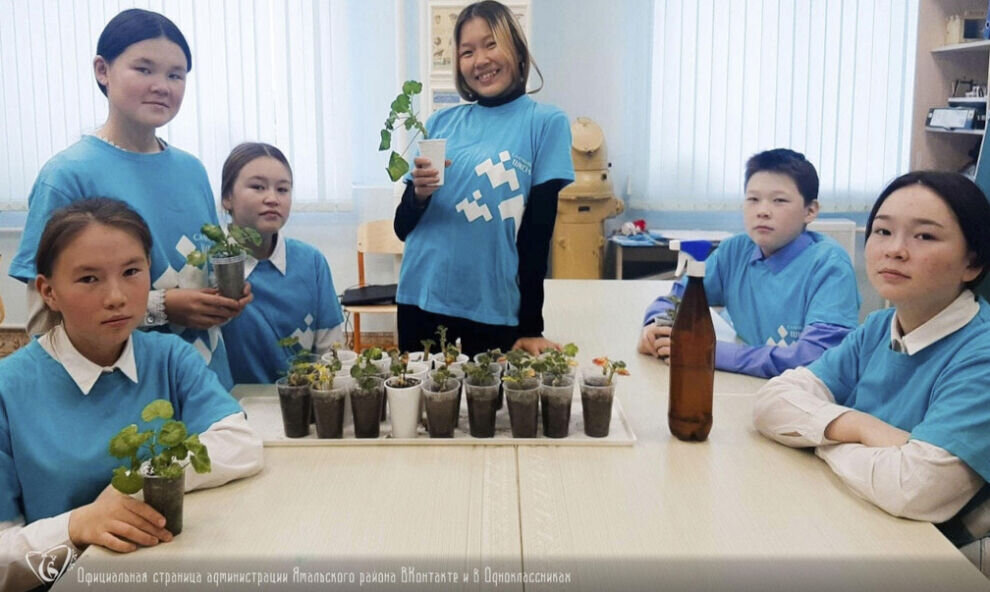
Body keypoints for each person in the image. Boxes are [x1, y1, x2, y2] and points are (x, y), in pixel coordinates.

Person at [0, 199, 264, 592]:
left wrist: (143, 479)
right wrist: (75, 527)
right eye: (89, 279)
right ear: (48, 292)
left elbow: (241, 443)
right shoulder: (9, 388)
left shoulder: (168, 357)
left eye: (131, 272)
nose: (116, 297)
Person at [8, 8, 250, 389]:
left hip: (204, 379)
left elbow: (204, 264)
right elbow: (47, 315)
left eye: (175, 75)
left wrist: (225, 294)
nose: (162, 85)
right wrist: (161, 307)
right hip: (117, 389)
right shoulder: (67, 176)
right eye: (144, 69)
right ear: (103, 70)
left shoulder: (192, 170)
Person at [753, 171, 990, 543]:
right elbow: (771, 401)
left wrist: (820, 438)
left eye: (925, 236)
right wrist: (862, 429)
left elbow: (914, 488)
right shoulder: (879, 327)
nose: (895, 249)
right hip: (857, 523)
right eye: (882, 231)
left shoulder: (981, 353)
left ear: (972, 263)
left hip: (937, 558)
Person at [393, 0, 574, 357]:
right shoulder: (440, 124)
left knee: (488, 411)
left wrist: (531, 326)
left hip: (493, 306)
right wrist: (418, 196)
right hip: (420, 296)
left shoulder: (545, 123)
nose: (480, 60)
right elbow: (403, 227)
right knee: (420, 411)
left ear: (518, 51)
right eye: (467, 51)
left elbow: (537, 235)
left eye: (491, 44)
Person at [638, 148, 860, 378]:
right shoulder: (735, 251)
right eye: (753, 199)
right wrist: (657, 326)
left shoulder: (831, 267)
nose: (762, 211)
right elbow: (677, 299)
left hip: (809, 399)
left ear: (810, 210)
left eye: (779, 200)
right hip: (752, 385)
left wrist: (709, 352)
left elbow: (817, 358)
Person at [217, 142, 345, 383]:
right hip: (228, 410)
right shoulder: (210, 266)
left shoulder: (311, 262)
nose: (272, 199)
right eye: (258, 187)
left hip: (301, 405)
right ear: (227, 197)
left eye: (283, 190)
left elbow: (331, 351)